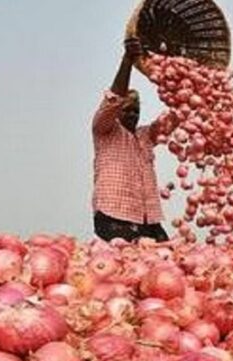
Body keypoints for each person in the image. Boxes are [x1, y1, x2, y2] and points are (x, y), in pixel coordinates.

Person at [91, 39, 177, 242]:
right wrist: (128, 60)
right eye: (127, 110)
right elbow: (114, 99)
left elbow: (174, 119)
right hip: (114, 215)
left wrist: (188, 88)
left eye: (136, 111)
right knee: (125, 266)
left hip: (148, 218)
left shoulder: (145, 135)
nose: (132, 114)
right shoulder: (104, 130)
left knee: (164, 263)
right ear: (117, 112)